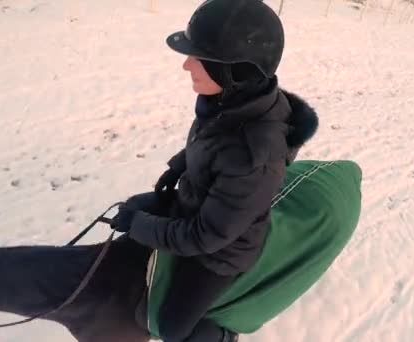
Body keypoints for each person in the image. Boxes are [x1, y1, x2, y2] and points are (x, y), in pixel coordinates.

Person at [111, 0, 319, 340]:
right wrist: (178, 166)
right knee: (134, 206)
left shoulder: (254, 155)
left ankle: (222, 335)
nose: (186, 65)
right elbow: (210, 141)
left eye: (199, 57)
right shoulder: (230, 101)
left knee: (174, 328)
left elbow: (203, 237)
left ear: (237, 70)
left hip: (220, 253)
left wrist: (140, 226)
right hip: (199, 200)